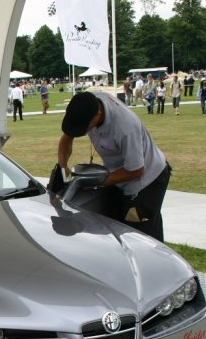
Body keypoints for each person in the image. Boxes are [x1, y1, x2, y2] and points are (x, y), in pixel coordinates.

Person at [57, 91, 171, 242]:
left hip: (147, 180)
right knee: (118, 227)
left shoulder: (125, 127)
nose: (83, 130)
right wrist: (62, 165)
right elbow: (67, 137)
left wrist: (95, 181)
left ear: (98, 114)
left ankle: (157, 262)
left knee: (139, 236)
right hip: (120, 173)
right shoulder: (86, 104)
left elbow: (136, 170)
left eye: (84, 126)